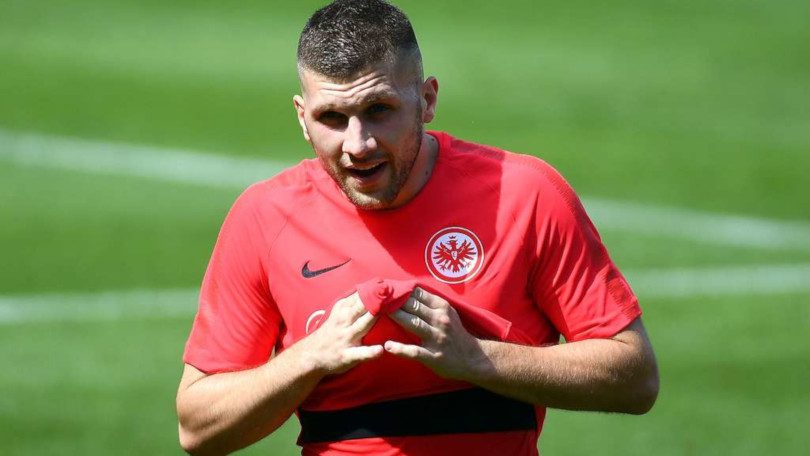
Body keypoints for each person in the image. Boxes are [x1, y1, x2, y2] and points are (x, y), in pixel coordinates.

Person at [176, 1, 659, 455]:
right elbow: (198, 428)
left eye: (378, 110)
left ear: (426, 100)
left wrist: (477, 358)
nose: (358, 144)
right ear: (303, 119)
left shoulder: (524, 194)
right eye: (332, 118)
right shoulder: (265, 217)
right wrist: (309, 359)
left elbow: (635, 377)